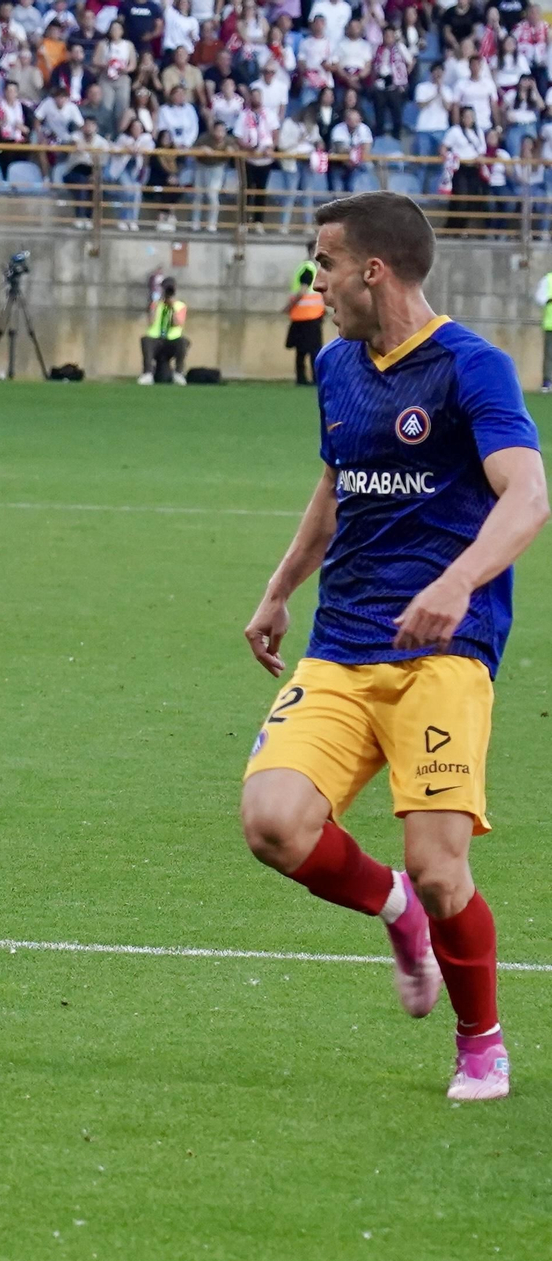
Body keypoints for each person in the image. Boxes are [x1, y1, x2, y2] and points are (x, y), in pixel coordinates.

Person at [240, 191, 549, 1103]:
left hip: (446, 654)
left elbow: (527, 496)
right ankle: (393, 910)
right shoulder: (338, 368)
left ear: (372, 269)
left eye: (325, 262)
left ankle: (480, 1040)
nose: (318, 280)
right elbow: (339, 489)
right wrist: (279, 586)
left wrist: (455, 584)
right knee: (273, 824)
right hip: (342, 648)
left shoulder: (470, 368)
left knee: (441, 865)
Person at [285, 245, 326, 385]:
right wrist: (288, 307)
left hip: (301, 316)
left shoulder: (304, 267)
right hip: (310, 316)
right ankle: (314, 378)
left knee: (301, 351)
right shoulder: (309, 268)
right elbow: (302, 291)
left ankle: (301, 378)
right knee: (314, 350)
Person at [137, 276, 187, 385]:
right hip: (156, 340)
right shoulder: (155, 304)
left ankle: (179, 372)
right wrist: (155, 306)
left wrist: (172, 307)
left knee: (183, 341)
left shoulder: (180, 306)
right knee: (145, 340)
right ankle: (147, 373)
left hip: (171, 341)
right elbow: (150, 321)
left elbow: (178, 323)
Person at [537, 266, 552, 392]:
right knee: (549, 355)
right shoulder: (548, 279)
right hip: (550, 324)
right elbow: (540, 298)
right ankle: (547, 382)